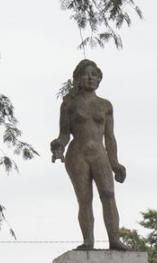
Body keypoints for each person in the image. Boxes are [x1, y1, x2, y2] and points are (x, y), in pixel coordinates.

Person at [50, 59, 127, 250]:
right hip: (78, 154)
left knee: (108, 195)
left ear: (99, 78)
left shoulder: (105, 105)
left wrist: (115, 162)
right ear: (77, 78)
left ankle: (114, 239)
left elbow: (110, 137)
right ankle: (88, 241)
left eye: (94, 74)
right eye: (87, 74)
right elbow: (64, 134)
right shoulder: (69, 104)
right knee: (85, 199)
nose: (91, 78)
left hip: (99, 153)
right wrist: (58, 145)